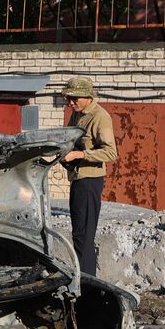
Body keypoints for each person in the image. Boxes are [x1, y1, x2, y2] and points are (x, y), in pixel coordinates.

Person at [61, 77, 117, 277]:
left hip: (90, 180)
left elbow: (111, 152)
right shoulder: (77, 115)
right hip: (77, 178)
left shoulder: (100, 116)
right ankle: (82, 278)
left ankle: (87, 281)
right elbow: (69, 138)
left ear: (87, 96)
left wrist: (79, 154)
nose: (71, 103)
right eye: (69, 99)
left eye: (74, 98)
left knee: (84, 236)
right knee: (79, 235)